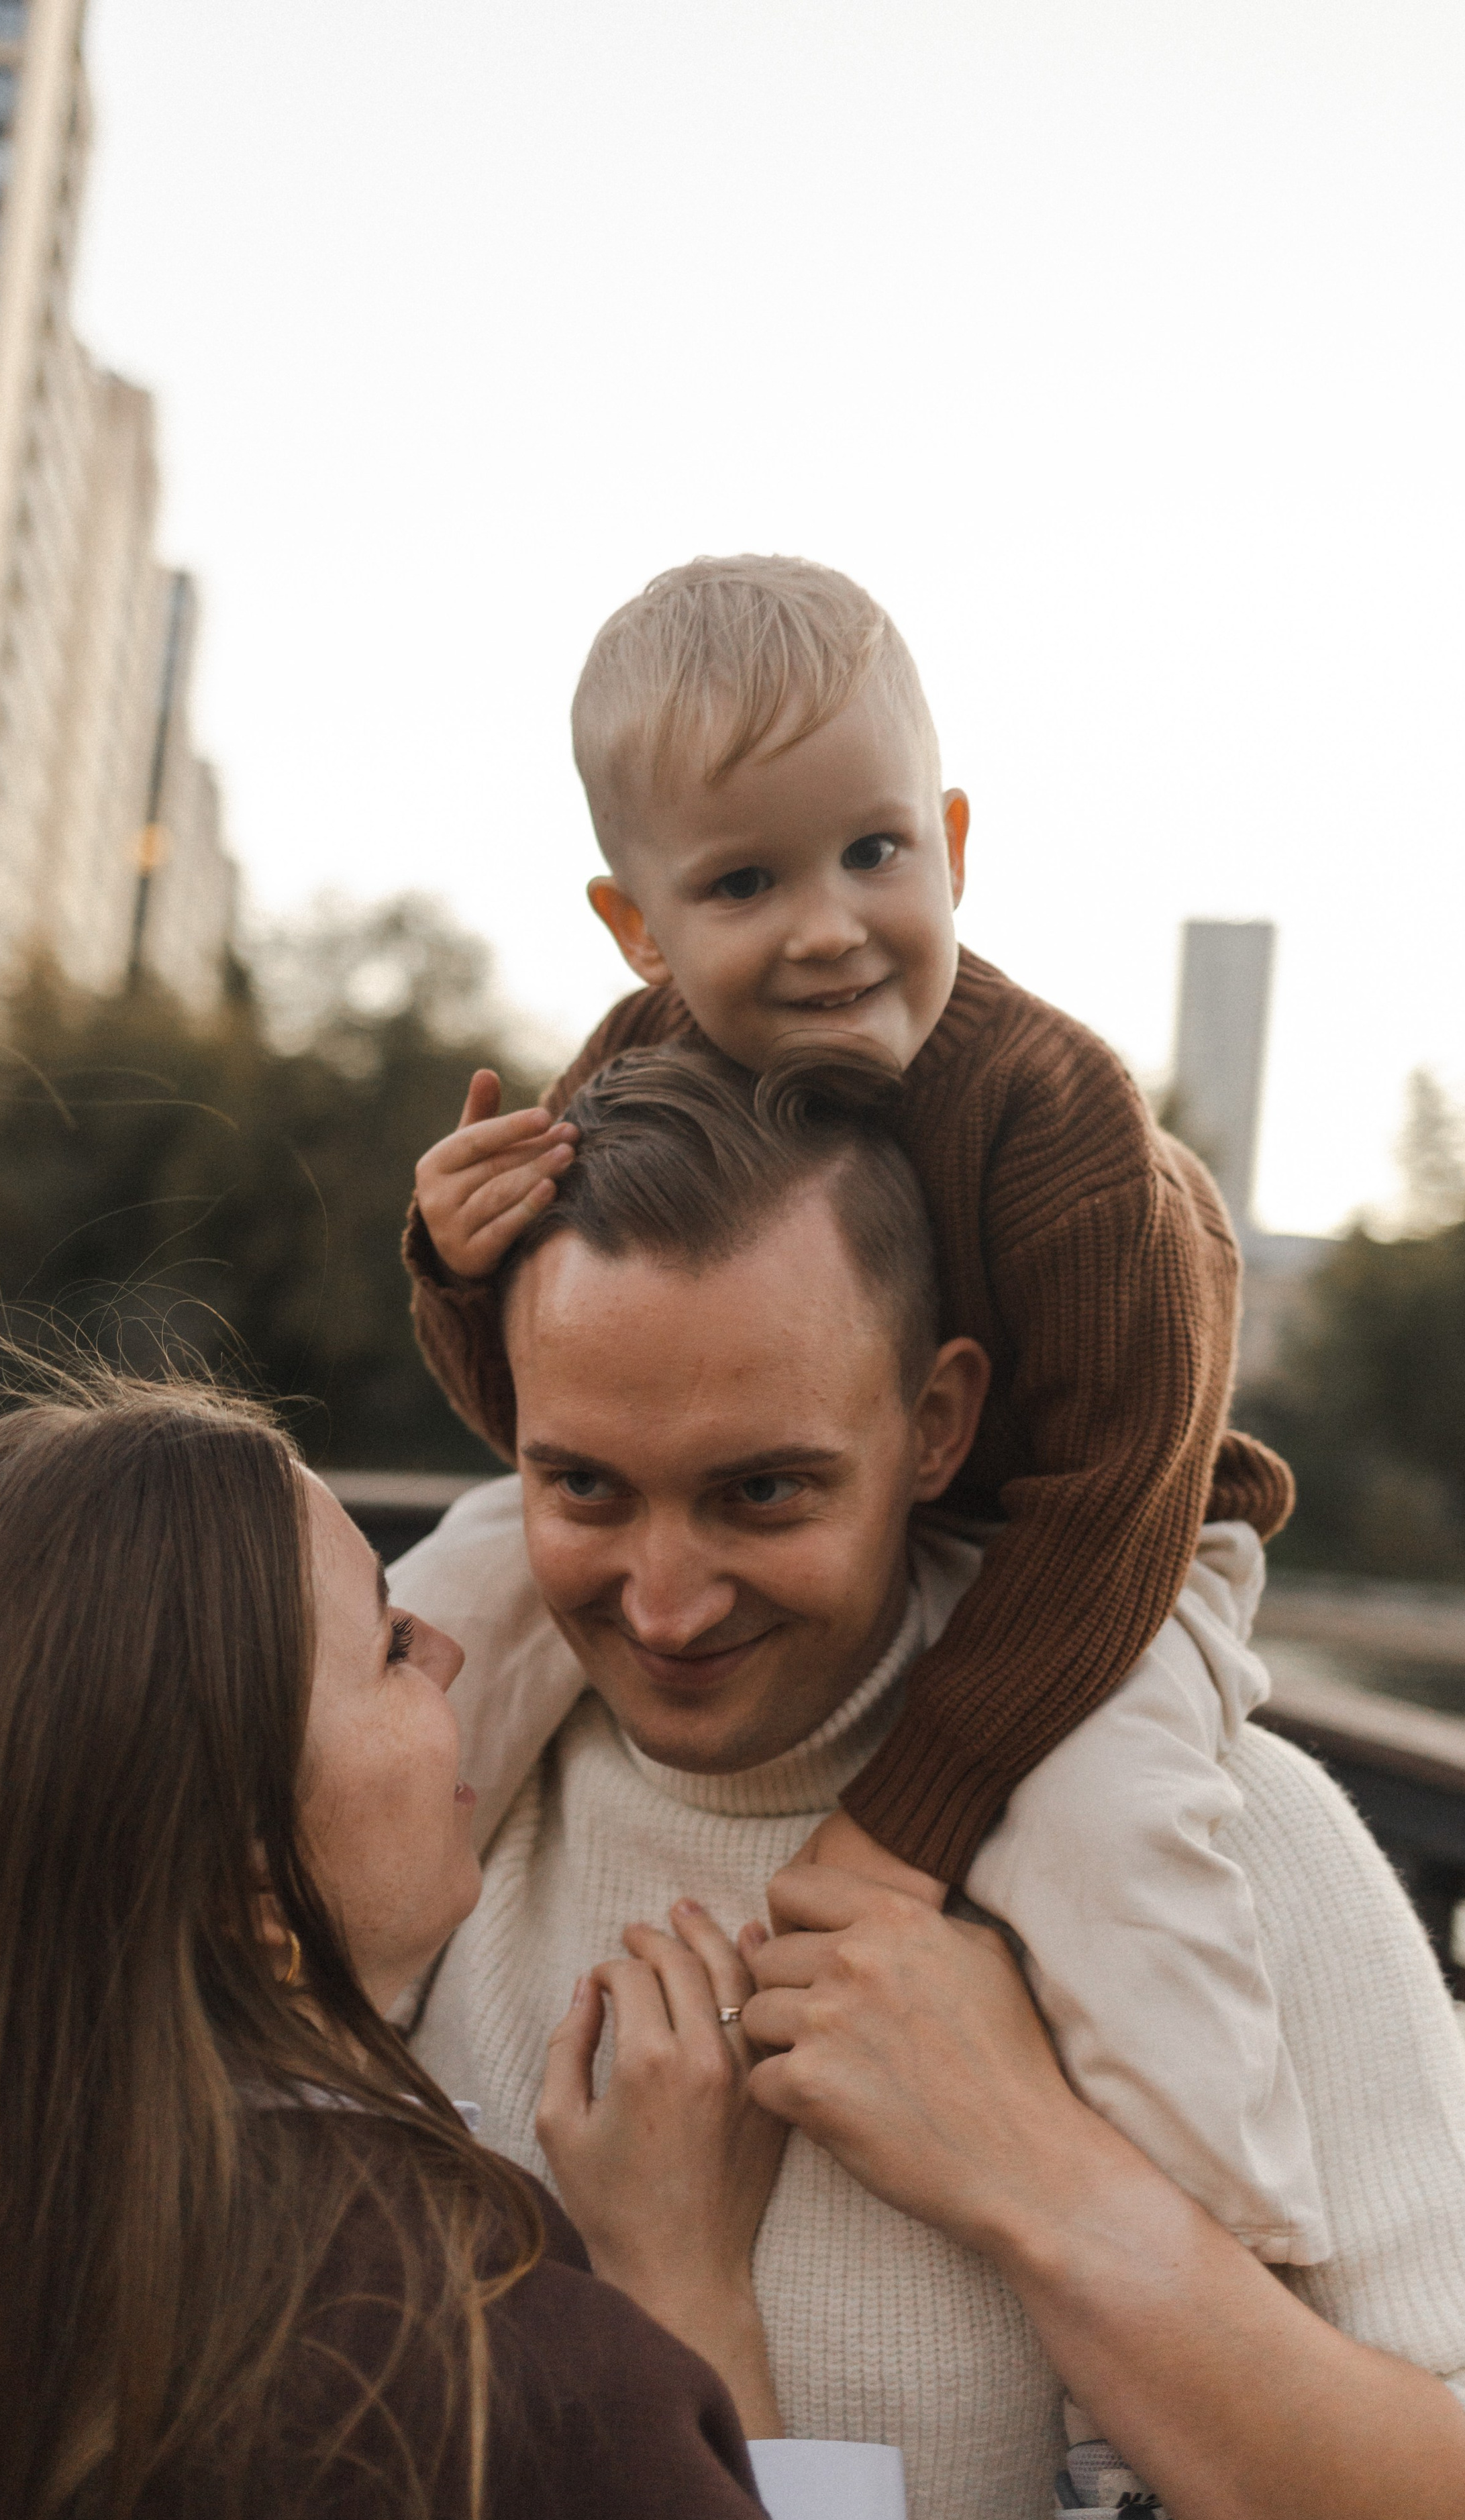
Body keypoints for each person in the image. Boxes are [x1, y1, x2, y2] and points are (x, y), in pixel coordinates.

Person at [392, 1046, 1465, 2520]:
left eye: (762, 1493)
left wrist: (1032, 2171)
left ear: (937, 1421)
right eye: (582, 1487)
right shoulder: (409, 1837)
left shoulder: (1218, 1839)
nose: (660, 1604)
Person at [0, 1374, 887, 2520]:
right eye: (387, 1643)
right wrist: (688, 2300)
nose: (452, 1646)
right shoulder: (493, 2395)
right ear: (251, 1887)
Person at [404, 550, 1295, 1906]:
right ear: (639, 927)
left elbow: (1113, 1508)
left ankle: (1178, 2115)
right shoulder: (627, 1077)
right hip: (817, 1511)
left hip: (1106, 1530)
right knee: (441, 1616)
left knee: (1116, 1834)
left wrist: (904, 1821)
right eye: (744, 884)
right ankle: (312, 1948)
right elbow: (561, 1429)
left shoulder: (1061, 1128)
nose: (827, 930)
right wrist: (463, 1274)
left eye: (872, 854)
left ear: (949, 844)